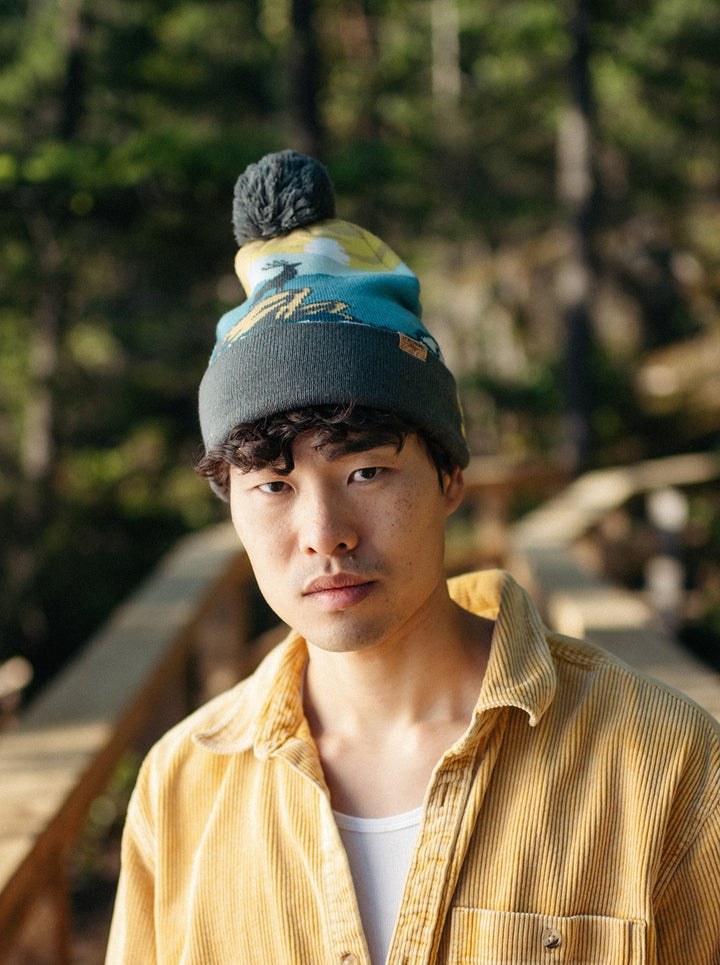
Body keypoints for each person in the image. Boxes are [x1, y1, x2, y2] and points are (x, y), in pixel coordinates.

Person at [106, 151, 720, 965]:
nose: (324, 531)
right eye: (273, 484)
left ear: (450, 475)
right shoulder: (183, 785)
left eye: (366, 470)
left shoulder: (664, 760)